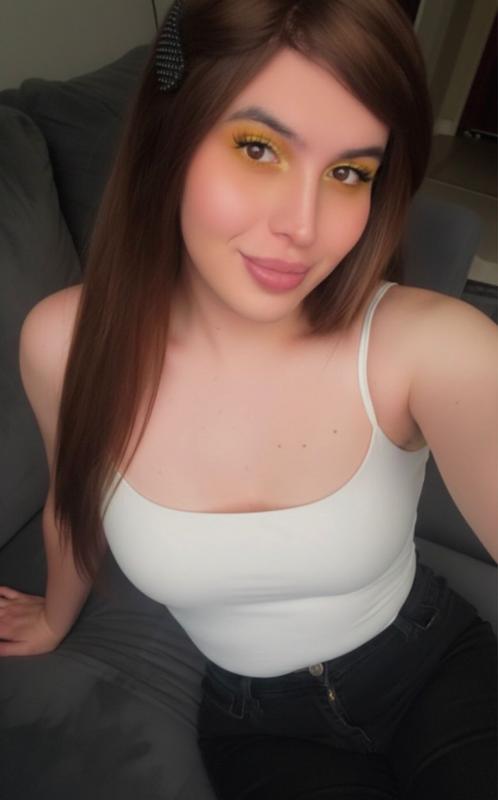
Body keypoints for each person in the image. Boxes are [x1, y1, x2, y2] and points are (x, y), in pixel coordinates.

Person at [0, 0, 496, 797]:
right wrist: (57, 616)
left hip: (434, 662)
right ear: (170, 136)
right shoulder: (64, 343)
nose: (303, 225)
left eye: (348, 172)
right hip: (255, 721)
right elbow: (73, 497)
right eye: (259, 148)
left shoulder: (430, 346)